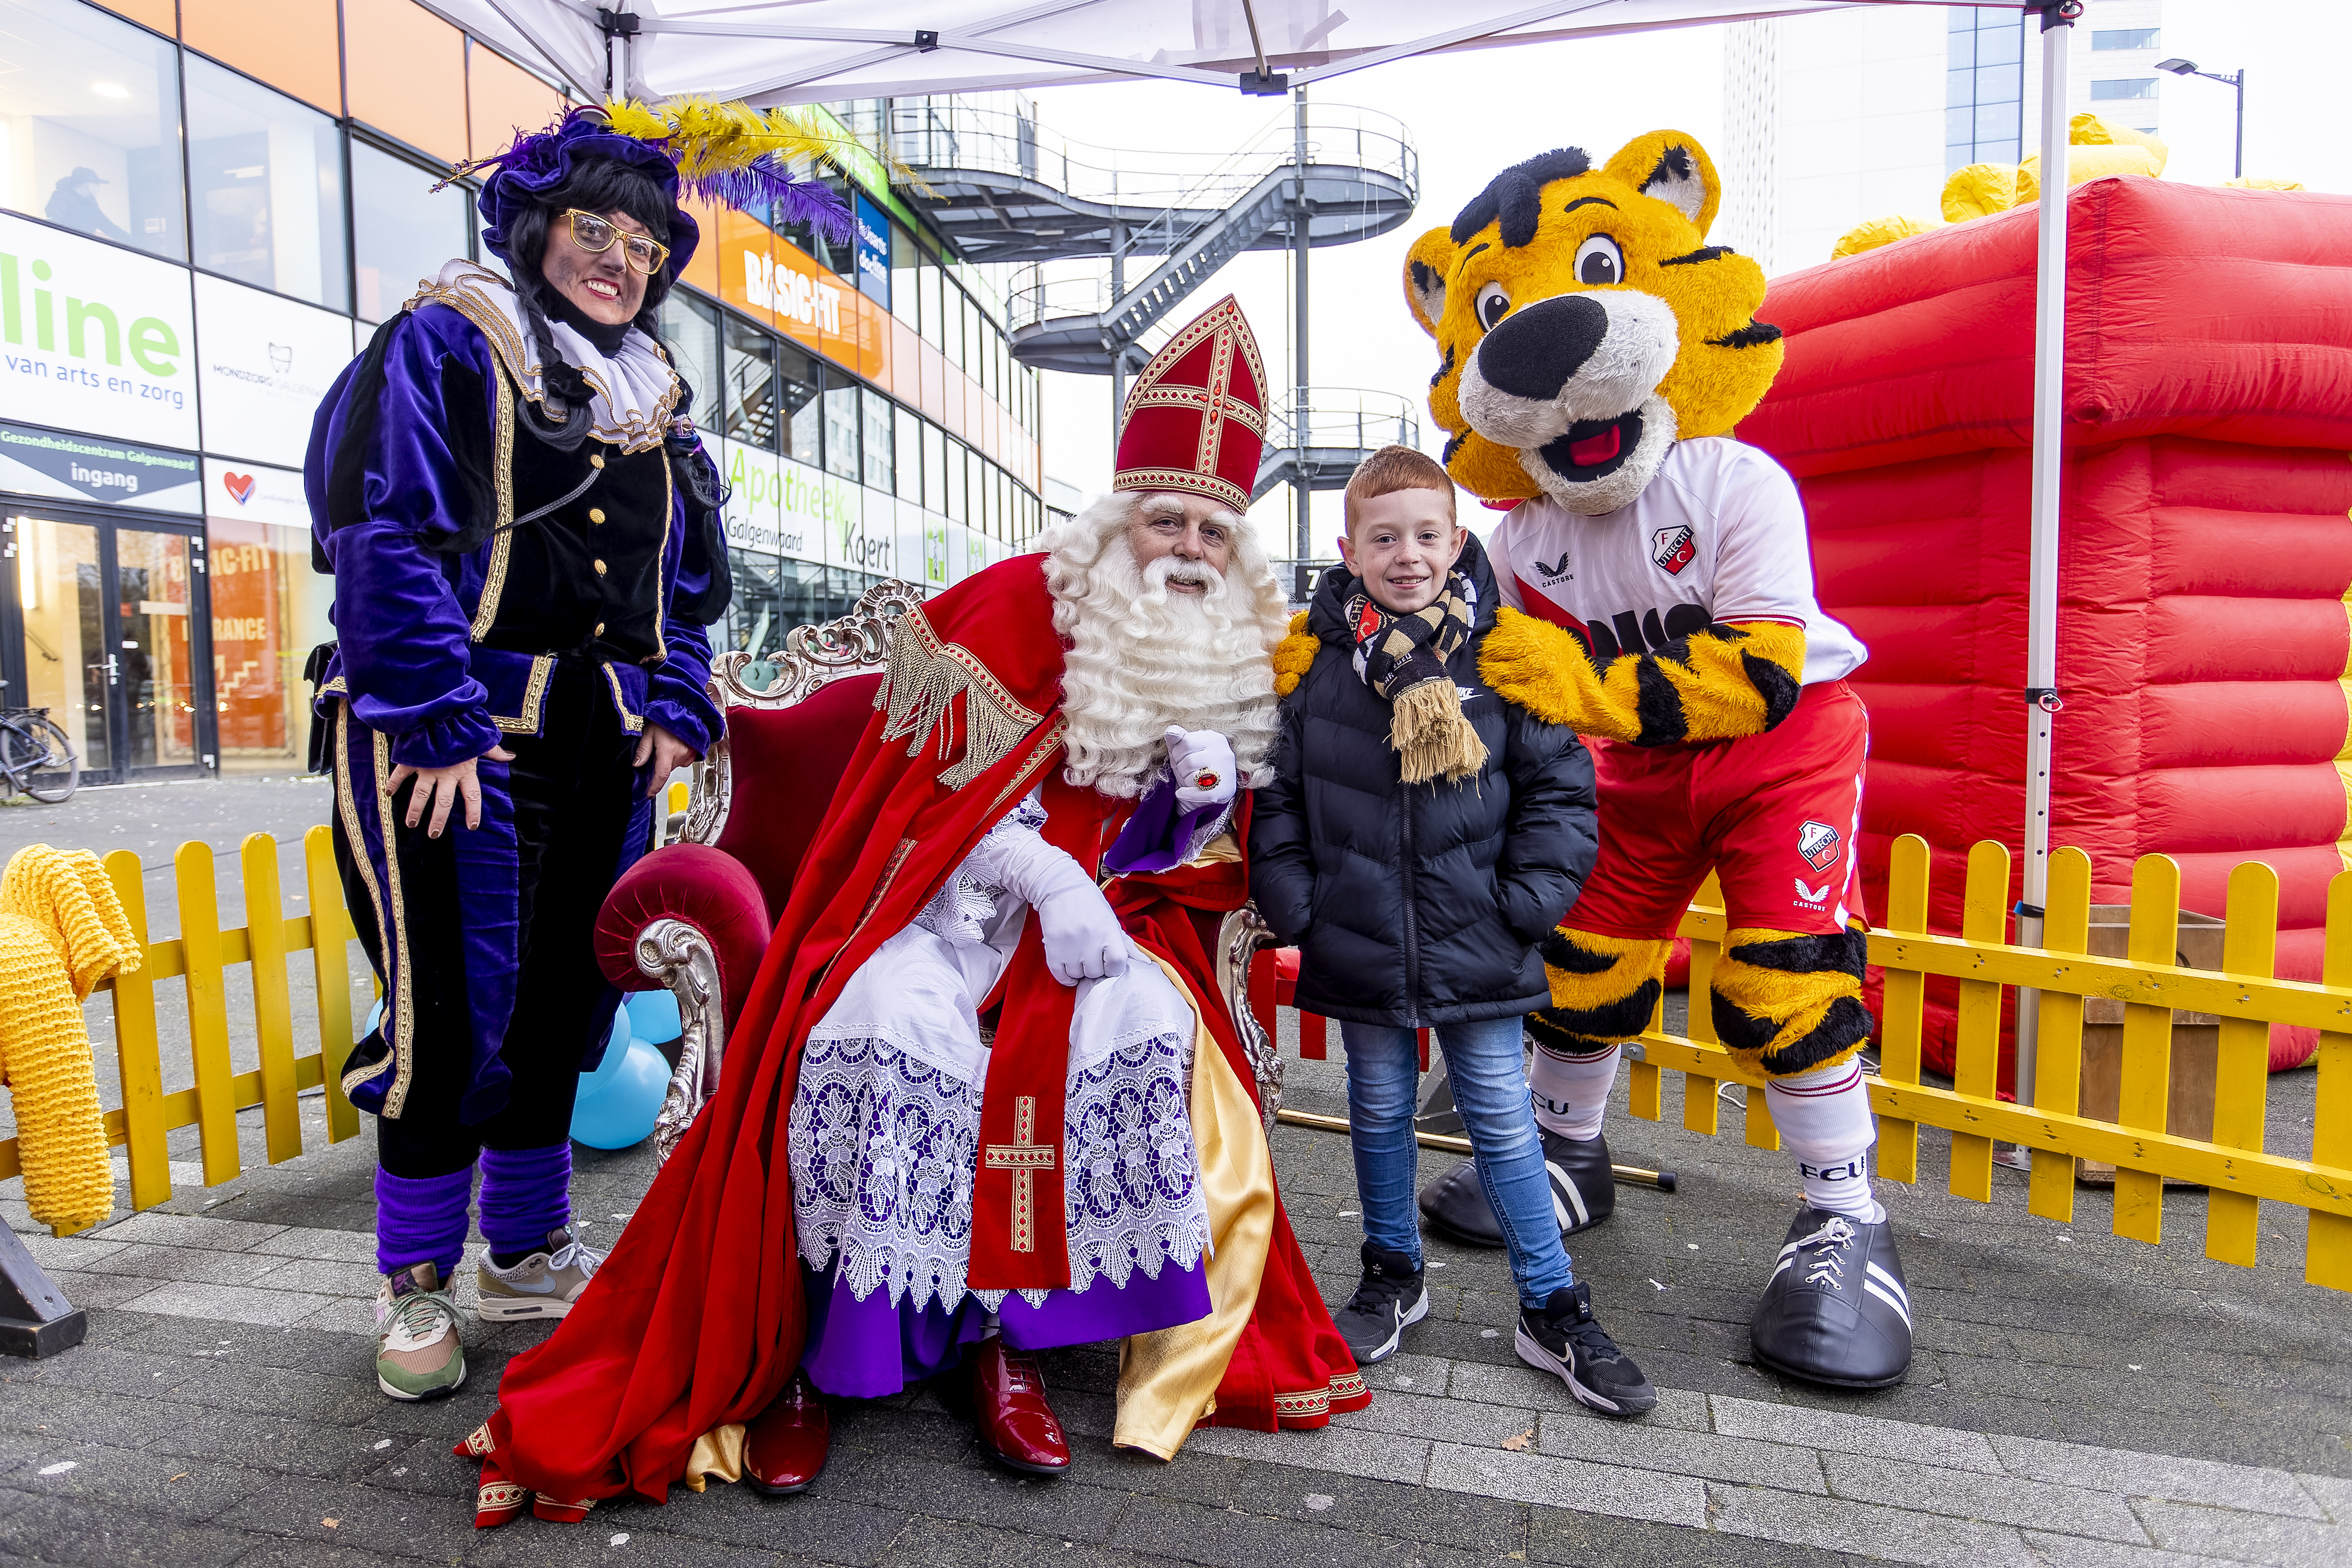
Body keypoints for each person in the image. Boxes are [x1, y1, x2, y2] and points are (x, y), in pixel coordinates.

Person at [461, 296, 1366, 1528]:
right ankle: (810, 1358)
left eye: (1214, 527)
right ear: (1115, 516)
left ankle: (1010, 1339)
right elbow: (915, 820)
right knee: (895, 1036)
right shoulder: (995, 614)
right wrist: (1041, 877)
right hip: (927, 917)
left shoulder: (1217, 655)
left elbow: (1182, 866)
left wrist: (1189, 808)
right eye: (1166, 516)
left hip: (1093, 929)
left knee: (1137, 1028)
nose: (1187, 546)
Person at [303, 106, 809, 1402]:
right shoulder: (447, 340)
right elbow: (383, 533)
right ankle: (413, 1278)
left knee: (562, 1006)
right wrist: (431, 717)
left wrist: (677, 706)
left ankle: (524, 1246)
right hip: (455, 741)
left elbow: (690, 596)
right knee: (451, 1009)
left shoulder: (657, 408)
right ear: (538, 229)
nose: (624, 261)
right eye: (598, 231)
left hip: (600, 747)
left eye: (646, 245)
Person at [1251, 446, 1652, 1418]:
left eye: (1426, 534)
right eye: (1383, 538)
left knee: (1503, 1120)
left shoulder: (1506, 657)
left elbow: (1562, 792)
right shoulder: (1313, 670)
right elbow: (1279, 801)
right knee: (1379, 1109)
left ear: (1456, 540)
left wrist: (1524, 904)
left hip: (1480, 935)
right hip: (1358, 934)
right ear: (1348, 549)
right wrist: (1303, 906)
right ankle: (1393, 1273)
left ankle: (1550, 1303)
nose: (1407, 555)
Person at [46, 167, 131, 245]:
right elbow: (54, 221)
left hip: (86, 248)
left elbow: (109, 227)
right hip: (67, 246)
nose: (98, 189)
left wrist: (135, 243)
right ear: (90, 185)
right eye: (97, 185)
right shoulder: (62, 197)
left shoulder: (91, 205)